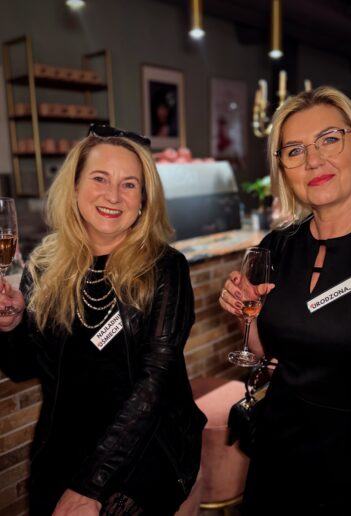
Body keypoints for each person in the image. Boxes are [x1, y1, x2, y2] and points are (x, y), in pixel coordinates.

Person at [0, 124, 206, 516]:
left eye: (129, 184)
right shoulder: (44, 265)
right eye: (99, 178)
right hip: (60, 448)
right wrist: (10, 326)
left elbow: (154, 384)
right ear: (75, 187)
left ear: (143, 199)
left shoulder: (165, 268)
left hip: (144, 447)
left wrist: (90, 486)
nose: (113, 196)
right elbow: (23, 366)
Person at [219, 86, 351, 514]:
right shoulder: (277, 246)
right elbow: (267, 353)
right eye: (295, 150)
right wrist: (247, 315)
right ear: (283, 168)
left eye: (329, 140)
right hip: (280, 458)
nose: (313, 160)